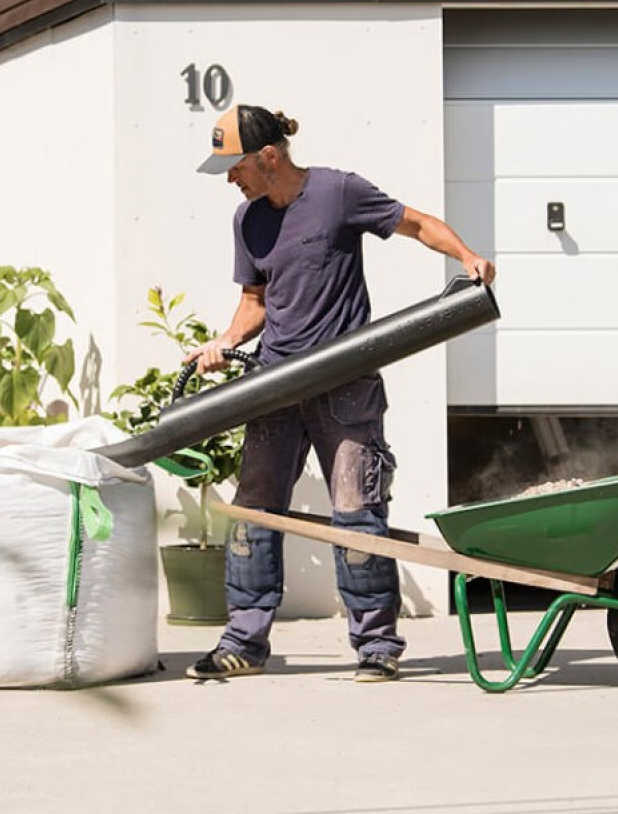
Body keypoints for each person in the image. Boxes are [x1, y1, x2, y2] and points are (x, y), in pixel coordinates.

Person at [184, 104, 496, 683]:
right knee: (254, 514)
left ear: (268, 157)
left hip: (345, 384)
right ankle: (244, 642)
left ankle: (377, 644)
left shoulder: (338, 193)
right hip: (275, 385)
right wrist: (225, 341)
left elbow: (416, 223)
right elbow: (255, 301)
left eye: (235, 166)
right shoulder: (246, 221)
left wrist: (467, 258)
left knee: (357, 515)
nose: (231, 178)